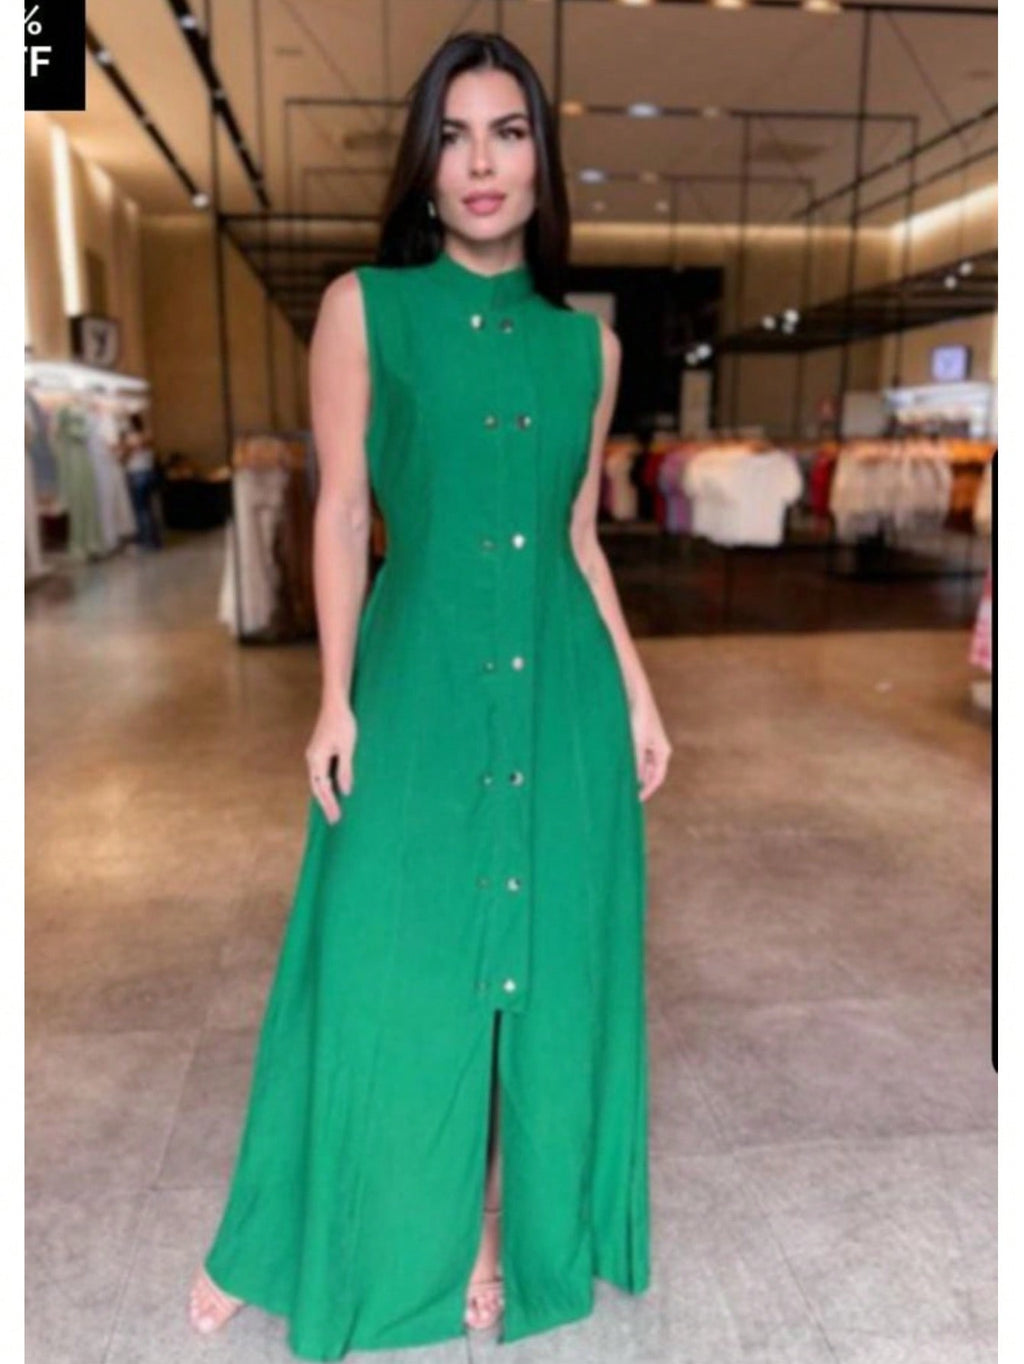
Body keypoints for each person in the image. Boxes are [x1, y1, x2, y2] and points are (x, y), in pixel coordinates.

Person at [187, 28, 671, 1360]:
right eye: (454, 136)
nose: (481, 162)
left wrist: (636, 693)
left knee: (539, 971)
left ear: (541, 158)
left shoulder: (588, 350)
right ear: (424, 161)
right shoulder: (367, 308)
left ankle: (498, 1233)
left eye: (507, 133)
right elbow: (343, 513)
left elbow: (580, 539)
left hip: (563, 687)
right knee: (375, 949)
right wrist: (334, 697)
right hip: (415, 680)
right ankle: (288, 1229)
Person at [119, 411, 162, 549]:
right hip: (149, 473)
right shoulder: (147, 435)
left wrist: (122, 451)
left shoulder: (130, 438)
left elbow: (124, 458)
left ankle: (145, 542)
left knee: (140, 510)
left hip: (136, 474)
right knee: (149, 509)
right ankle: (155, 541)